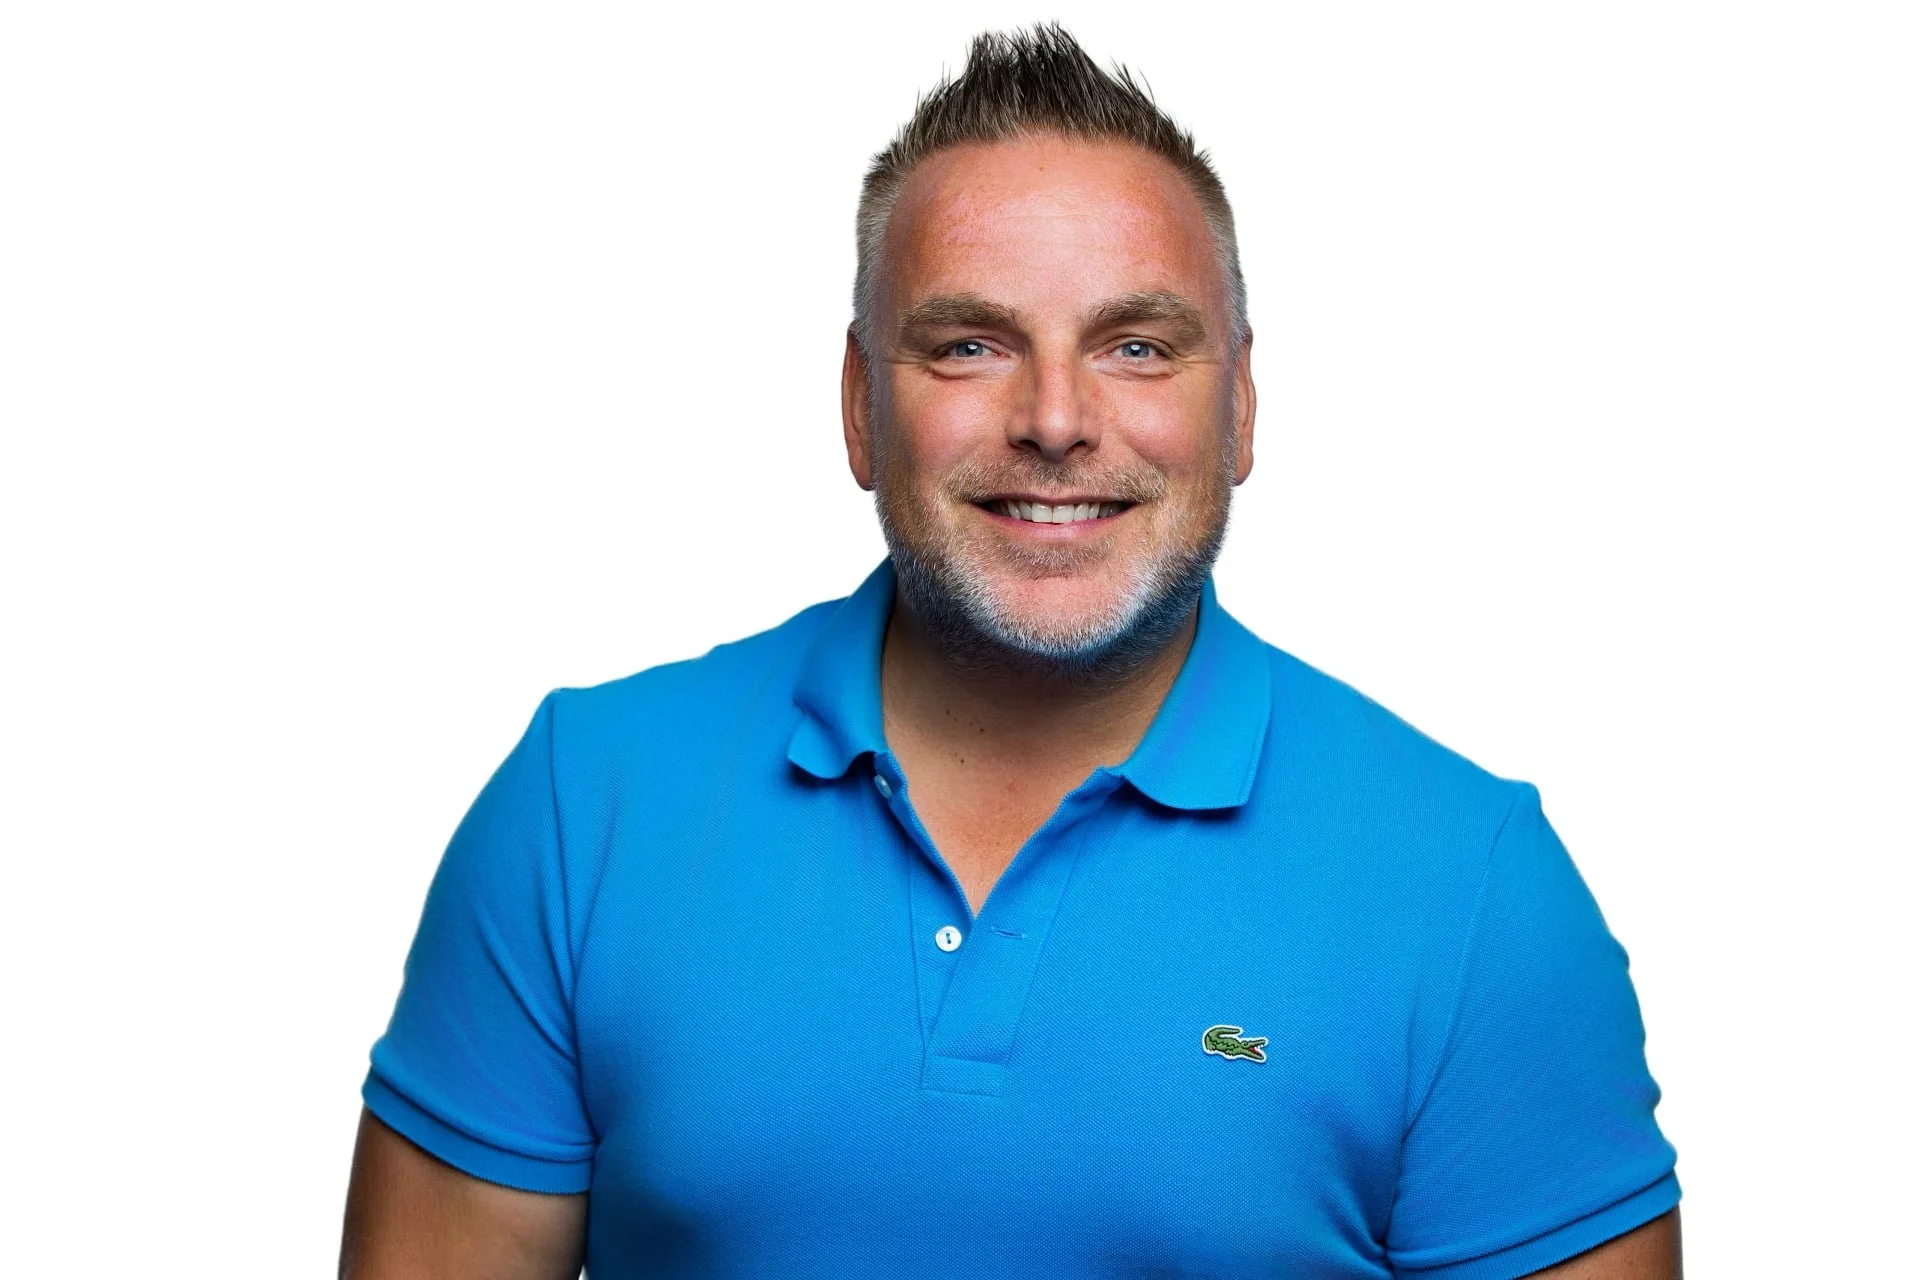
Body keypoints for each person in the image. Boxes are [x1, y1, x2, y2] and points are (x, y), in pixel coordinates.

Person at [341, 24, 1680, 1279]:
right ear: (862, 405)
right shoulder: (590, 804)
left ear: (1244, 410)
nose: (1054, 420)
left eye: (1137, 346)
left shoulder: (1472, 889)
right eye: (970, 345)